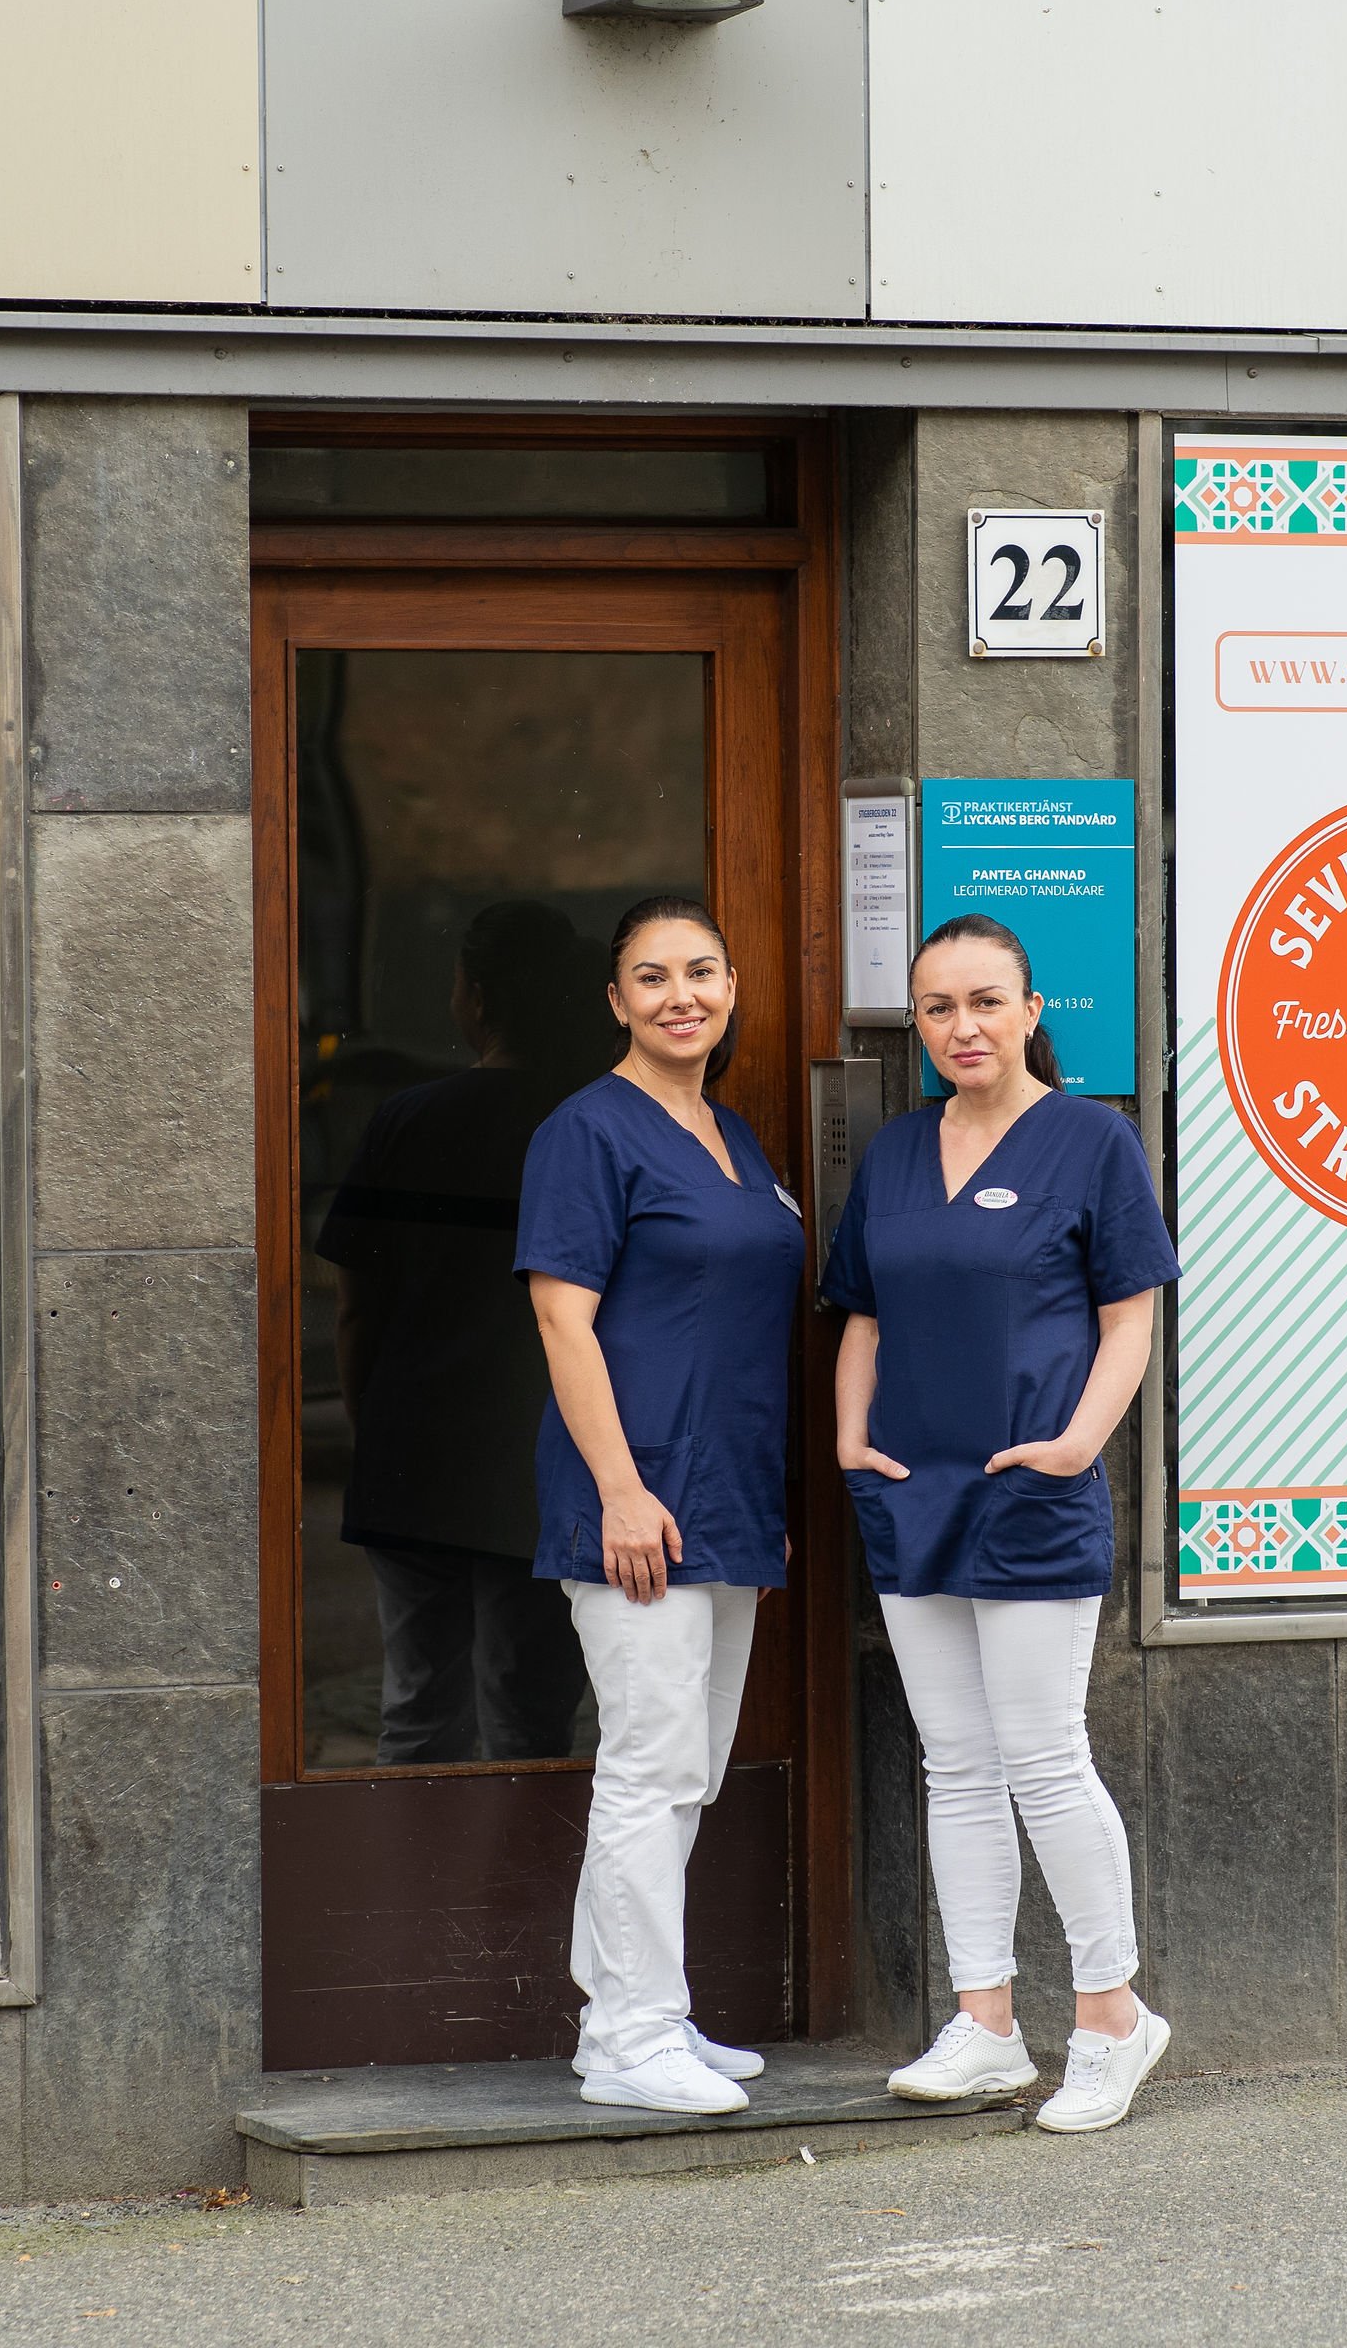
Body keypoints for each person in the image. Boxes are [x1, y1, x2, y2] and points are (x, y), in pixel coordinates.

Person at [821, 913, 1182, 2136]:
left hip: (1031, 1491)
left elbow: (1130, 1318)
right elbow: (862, 1315)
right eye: (938, 1007)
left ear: (1031, 1011)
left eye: (986, 1002)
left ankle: (1113, 2019)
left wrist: (1077, 1445)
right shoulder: (896, 1151)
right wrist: (852, 1435)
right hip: (910, 1488)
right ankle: (984, 2024)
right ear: (916, 1023)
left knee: (1043, 1757)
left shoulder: (1092, 1141)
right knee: (958, 1764)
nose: (962, 1026)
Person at [517, 895, 806, 2114]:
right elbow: (560, 1318)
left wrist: (754, 1496)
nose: (679, 995)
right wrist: (622, 1490)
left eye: (699, 972)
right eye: (652, 976)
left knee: (687, 1768)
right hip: (636, 1501)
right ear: (617, 1000)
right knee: (648, 1765)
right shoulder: (586, 1132)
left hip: (726, 1497)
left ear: (731, 987)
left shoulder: (732, 1135)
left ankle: (637, 2015)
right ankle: (632, 2036)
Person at [317, 901, 613, 1764]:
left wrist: (371, 1427)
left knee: (418, 1709)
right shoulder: (589, 1123)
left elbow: (355, 1304)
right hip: (544, 1451)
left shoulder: (410, 1119)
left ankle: (414, 1854)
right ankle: (524, 1855)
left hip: (415, 1450)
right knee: (532, 1715)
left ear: (475, 997)